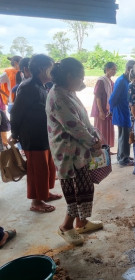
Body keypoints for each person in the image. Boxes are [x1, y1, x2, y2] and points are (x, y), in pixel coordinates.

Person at [47, 58, 103, 246]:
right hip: (68, 155)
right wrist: (93, 141)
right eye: (80, 77)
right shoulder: (58, 96)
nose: (82, 81)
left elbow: (83, 118)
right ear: (69, 76)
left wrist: (96, 134)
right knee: (76, 193)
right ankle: (66, 227)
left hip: (79, 151)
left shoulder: (68, 91)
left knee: (85, 188)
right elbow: (74, 126)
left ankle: (82, 222)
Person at [10, 54, 61, 213]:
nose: (52, 71)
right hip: (32, 136)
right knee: (37, 169)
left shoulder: (41, 85)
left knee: (47, 167)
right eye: (50, 68)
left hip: (43, 134)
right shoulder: (27, 87)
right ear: (42, 69)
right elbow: (15, 113)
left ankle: (44, 193)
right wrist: (15, 133)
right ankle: (36, 201)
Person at [109, 60, 135, 166]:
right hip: (121, 112)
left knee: (125, 135)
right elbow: (113, 98)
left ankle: (124, 155)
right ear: (129, 69)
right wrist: (112, 111)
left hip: (126, 112)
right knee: (124, 136)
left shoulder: (127, 80)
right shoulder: (121, 81)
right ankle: (123, 159)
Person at [91, 62, 117, 148]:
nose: (114, 71)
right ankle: (101, 149)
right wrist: (101, 111)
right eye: (113, 69)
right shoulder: (101, 81)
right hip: (101, 110)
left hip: (108, 110)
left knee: (108, 129)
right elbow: (97, 96)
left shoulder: (111, 82)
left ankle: (107, 148)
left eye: (115, 70)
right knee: (101, 130)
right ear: (107, 69)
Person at [0, 56, 22, 145]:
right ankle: (19, 150)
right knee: (17, 128)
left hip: (20, 102)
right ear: (16, 63)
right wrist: (6, 95)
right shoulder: (7, 73)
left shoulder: (21, 72)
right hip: (13, 103)